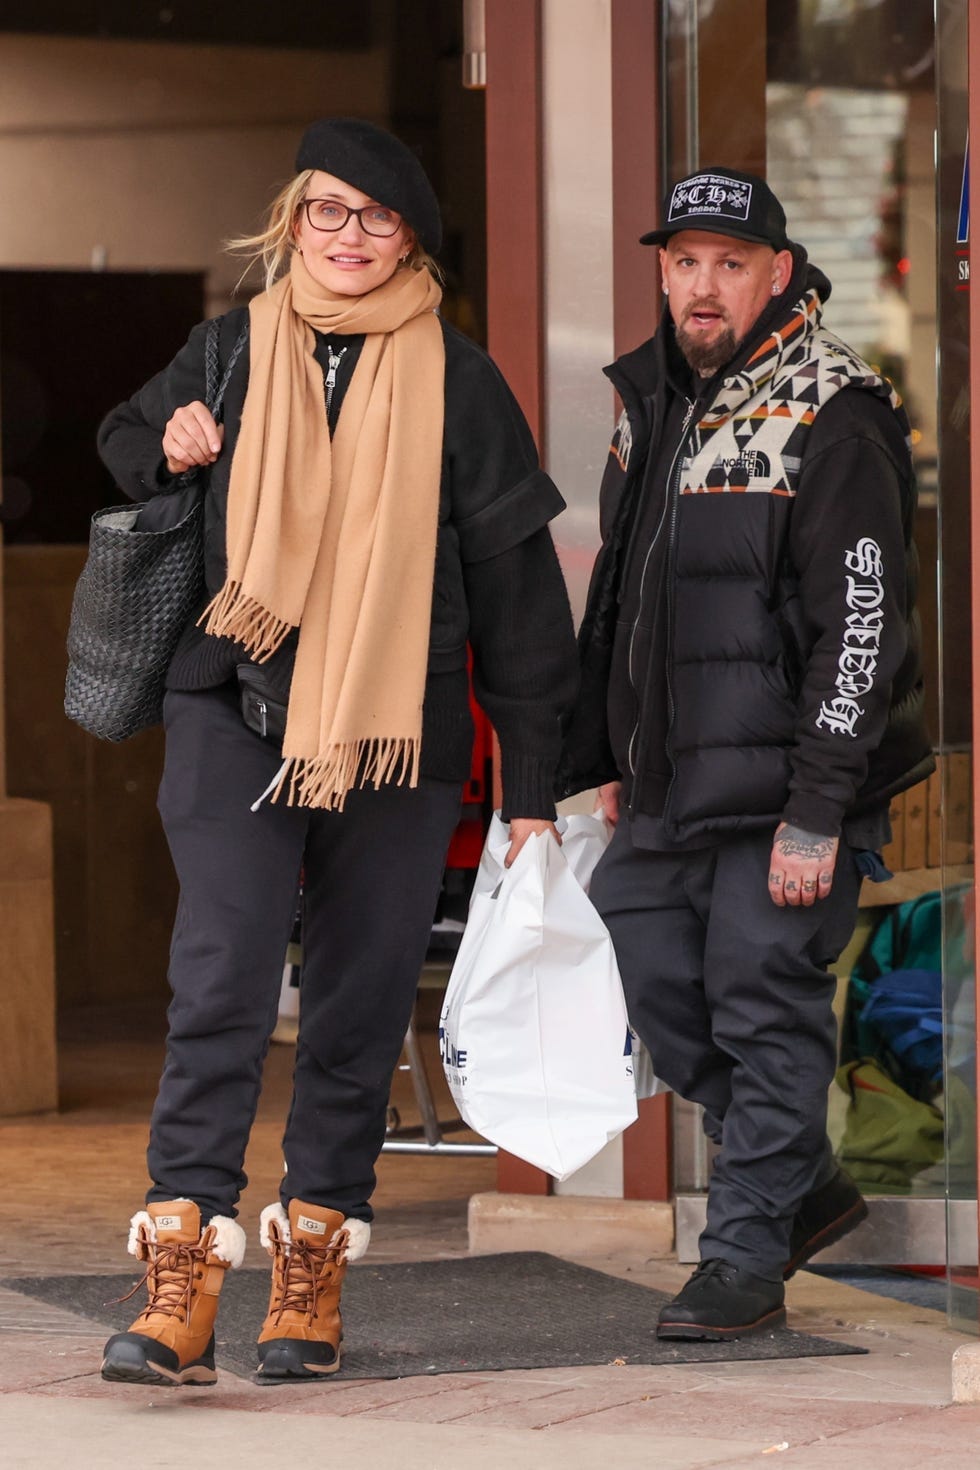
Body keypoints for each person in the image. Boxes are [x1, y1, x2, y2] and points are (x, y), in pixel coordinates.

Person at [96, 116, 577, 1385]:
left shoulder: (457, 381)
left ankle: (310, 1264)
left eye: (374, 218)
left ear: (408, 235)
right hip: (230, 702)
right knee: (225, 975)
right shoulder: (229, 346)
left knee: (360, 994)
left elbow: (521, 596)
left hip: (392, 725)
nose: (348, 238)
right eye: (327, 212)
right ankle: (182, 1267)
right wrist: (170, 446)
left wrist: (533, 788)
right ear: (292, 220)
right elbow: (120, 437)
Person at [558, 167, 933, 1339]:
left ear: (777, 272)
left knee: (760, 1005)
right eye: (682, 261)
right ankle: (801, 1186)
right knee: (656, 978)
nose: (702, 284)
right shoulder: (651, 400)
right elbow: (619, 594)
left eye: (729, 261)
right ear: (661, 272)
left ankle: (742, 1256)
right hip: (671, 783)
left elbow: (861, 627)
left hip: (787, 788)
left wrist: (817, 810)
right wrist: (601, 749)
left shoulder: (835, 409)